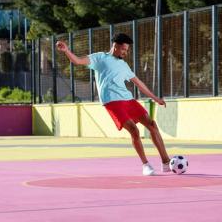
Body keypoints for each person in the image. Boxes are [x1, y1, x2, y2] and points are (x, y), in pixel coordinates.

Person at [56, 33, 170, 176]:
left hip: (128, 99)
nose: (125, 52)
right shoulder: (99, 58)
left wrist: (155, 98)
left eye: (127, 50)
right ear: (115, 46)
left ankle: (166, 162)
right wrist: (66, 50)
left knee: (152, 125)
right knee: (134, 131)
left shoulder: (123, 64)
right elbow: (78, 61)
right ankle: (146, 165)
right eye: (123, 49)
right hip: (112, 102)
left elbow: (138, 83)